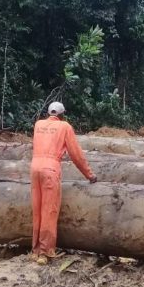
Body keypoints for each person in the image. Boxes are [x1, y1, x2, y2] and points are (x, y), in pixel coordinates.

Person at [31, 102, 97, 265]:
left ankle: (35, 250)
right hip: (51, 169)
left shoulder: (38, 125)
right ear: (62, 115)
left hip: (34, 167)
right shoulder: (65, 127)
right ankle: (45, 253)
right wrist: (89, 175)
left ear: (49, 113)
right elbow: (76, 155)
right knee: (49, 210)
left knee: (37, 209)